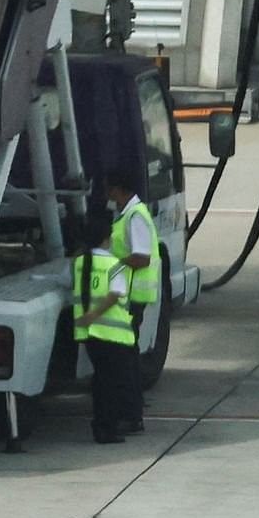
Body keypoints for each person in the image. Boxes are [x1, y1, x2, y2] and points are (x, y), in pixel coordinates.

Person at [70, 212, 140, 443]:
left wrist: (89, 317)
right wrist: (95, 314)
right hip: (114, 334)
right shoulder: (115, 265)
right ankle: (108, 428)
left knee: (100, 382)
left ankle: (100, 426)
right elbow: (114, 296)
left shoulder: (80, 262)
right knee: (114, 384)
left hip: (90, 335)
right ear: (106, 239)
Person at [105, 164, 159, 435]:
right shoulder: (128, 214)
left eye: (110, 189)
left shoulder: (135, 216)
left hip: (133, 297)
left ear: (119, 189)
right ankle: (131, 411)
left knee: (126, 359)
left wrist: (111, 265)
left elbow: (141, 257)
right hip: (129, 296)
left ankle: (132, 414)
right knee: (127, 356)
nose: (108, 194)